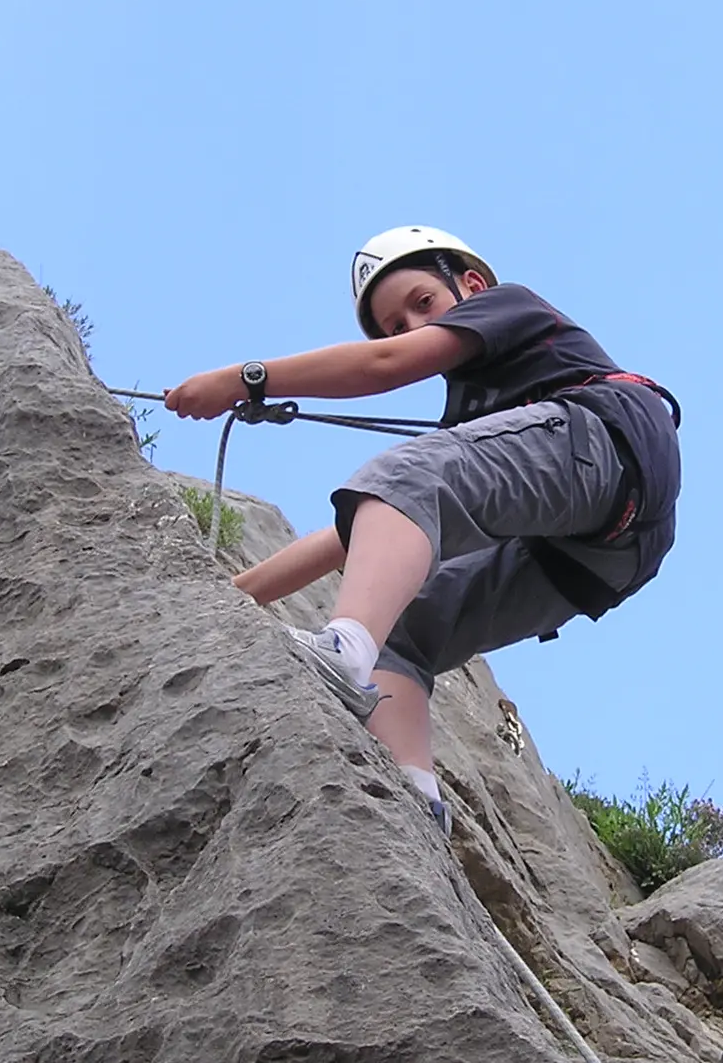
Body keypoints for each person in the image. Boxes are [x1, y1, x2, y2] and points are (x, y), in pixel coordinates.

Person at [163, 226, 681, 833]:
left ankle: (342, 649)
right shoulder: (472, 418)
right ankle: (415, 802)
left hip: (604, 443)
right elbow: (355, 535)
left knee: (408, 476)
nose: (409, 327)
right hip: (601, 555)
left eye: (421, 304)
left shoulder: (509, 304)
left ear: (471, 285)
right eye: (394, 325)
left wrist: (247, 378)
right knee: (403, 631)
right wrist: (233, 598)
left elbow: (386, 371)